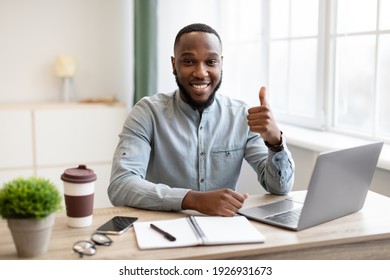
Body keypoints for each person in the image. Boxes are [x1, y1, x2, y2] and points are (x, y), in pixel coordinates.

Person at [108, 23, 294, 216]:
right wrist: (192, 199)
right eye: (188, 62)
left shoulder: (241, 116)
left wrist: (275, 142)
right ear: (174, 64)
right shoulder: (147, 113)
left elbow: (279, 188)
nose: (200, 72)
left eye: (211, 62)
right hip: (162, 230)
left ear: (221, 63)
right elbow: (121, 185)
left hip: (223, 230)